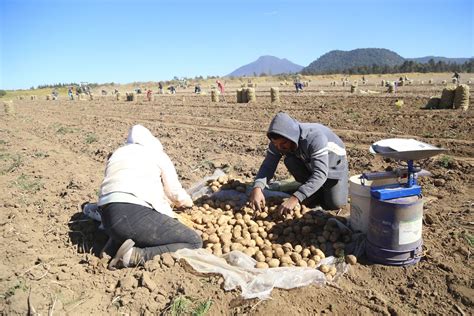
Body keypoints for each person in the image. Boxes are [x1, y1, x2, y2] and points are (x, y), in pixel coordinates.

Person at [97, 125, 202, 269]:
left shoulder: (119, 152)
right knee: (194, 241)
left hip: (107, 215)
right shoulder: (156, 153)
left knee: (136, 226)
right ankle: (135, 256)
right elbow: (174, 192)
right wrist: (188, 203)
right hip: (132, 213)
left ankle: (115, 243)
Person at [249, 112, 348, 215]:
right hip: (308, 160)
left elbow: (320, 174)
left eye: (283, 144)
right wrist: (257, 188)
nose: (279, 147)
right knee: (291, 161)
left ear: (291, 137)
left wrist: (296, 198)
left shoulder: (314, 138)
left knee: (334, 203)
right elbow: (268, 166)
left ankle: (320, 188)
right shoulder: (278, 141)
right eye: (275, 144)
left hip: (333, 163)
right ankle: (313, 189)